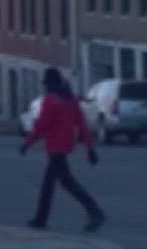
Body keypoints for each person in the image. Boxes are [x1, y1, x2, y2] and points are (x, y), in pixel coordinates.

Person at [21, 67, 105, 231]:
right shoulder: (70, 99)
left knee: (63, 183)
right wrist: (89, 148)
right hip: (66, 145)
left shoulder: (50, 101)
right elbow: (81, 124)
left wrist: (27, 143)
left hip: (55, 147)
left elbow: (41, 127)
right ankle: (41, 218)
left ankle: (94, 211)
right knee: (55, 183)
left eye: (46, 84)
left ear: (50, 83)